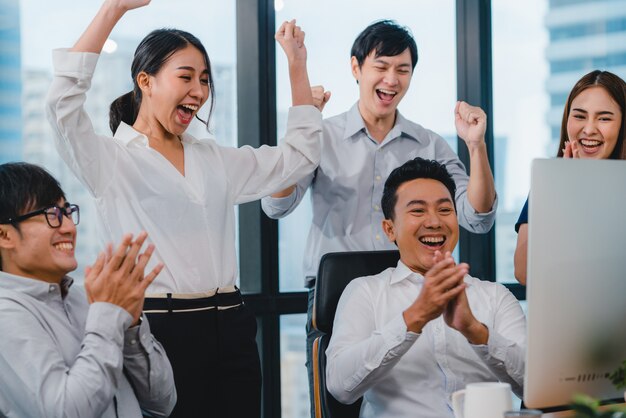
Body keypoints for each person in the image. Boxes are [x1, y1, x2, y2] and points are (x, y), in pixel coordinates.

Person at [46, 1, 322, 416]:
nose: (199, 90)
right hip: (159, 330)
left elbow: (298, 158)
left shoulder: (214, 159)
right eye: (186, 76)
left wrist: (297, 66)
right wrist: (113, 10)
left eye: (205, 80)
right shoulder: (111, 160)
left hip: (232, 325)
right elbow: (61, 105)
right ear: (146, 80)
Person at [260, 19, 497, 413]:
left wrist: (476, 146)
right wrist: (300, 135)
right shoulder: (323, 135)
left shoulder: (428, 143)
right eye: (381, 66)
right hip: (336, 296)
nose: (391, 79)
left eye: (402, 70)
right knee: (336, 404)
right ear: (356, 69)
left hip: (408, 292)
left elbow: (478, 217)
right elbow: (276, 205)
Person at [325, 157, 525, 418]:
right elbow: (340, 386)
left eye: (444, 210)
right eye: (418, 211)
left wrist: (475, 331)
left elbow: (534, 386)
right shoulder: (365, 292)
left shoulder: (495, 296)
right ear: (390, 229)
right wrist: (414, 317)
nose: (434, 222)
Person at [0, 162, 175, 418]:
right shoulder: (7, 314)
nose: (69, 227)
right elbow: (65, 412)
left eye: (67, 212)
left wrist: (131, 327)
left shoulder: (89, 298)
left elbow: (162, 404)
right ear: (5, 236)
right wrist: (107, 315)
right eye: (51, 215)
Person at [513, 70, 626, 285]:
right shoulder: (549, 185)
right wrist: (564, 194)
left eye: (604, 118)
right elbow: (524, 272)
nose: (589, 129)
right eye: (580, 116)